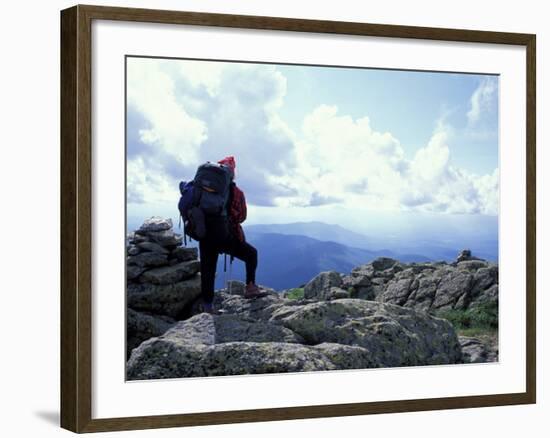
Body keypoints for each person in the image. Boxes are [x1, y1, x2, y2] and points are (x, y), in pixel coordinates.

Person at [198, 156, 263, 314]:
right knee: (251, 254)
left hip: (203, 232)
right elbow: (241, 216)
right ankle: (250, 287)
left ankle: (207, 306)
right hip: (224, 235)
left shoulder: (200, 187)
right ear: (232, 173)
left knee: (208, 269)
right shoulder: (236, 192)